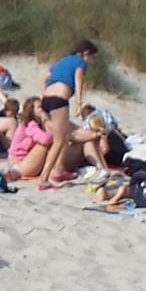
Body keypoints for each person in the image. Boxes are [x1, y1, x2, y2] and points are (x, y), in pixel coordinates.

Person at [35, 39, 98, 187]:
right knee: (59, 140)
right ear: (86, 53)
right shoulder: (80, 62)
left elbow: (45, 77)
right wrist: (79, 103)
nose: (93, 60)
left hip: (47, 98)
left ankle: (59, 170)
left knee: (61, 137)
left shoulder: (62, 61)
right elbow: (79, 77)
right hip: (59, 100)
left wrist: (45, 93)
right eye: (93, 56)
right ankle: (44, 178)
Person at [4, 97, 54, 181]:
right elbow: (46, 139)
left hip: (25, 159)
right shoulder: (29, 125)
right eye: (39, 107)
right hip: (19, 163)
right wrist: (47, 121)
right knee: (43, 145)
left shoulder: (38, 124)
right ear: (32, 110)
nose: (43, 109)